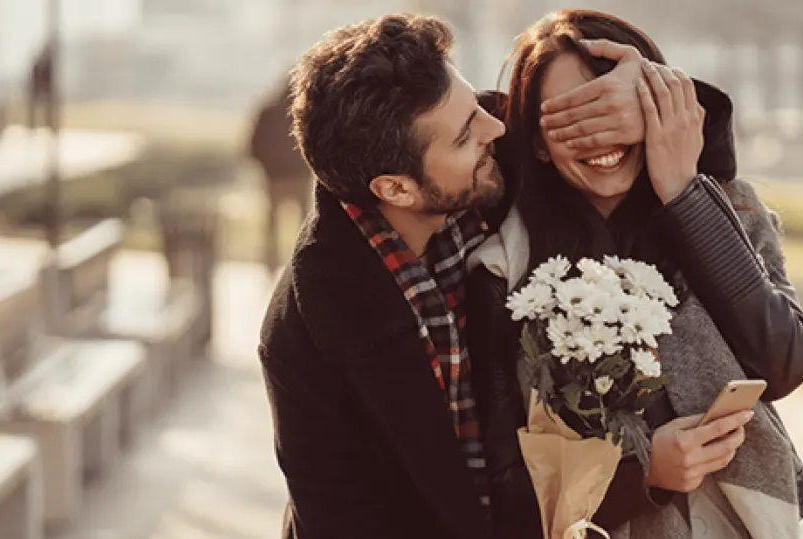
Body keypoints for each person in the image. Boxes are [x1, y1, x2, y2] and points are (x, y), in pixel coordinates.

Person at [257, 13, 662, 538]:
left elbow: (695, 139)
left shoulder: (489, 161)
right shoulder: (303, 334)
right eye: (467, 135)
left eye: (476, 106)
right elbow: (339, 520)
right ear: (397, 190)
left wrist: (645, 96)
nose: (497, 128)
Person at [466, 10, 803, 538]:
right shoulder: (501, 265)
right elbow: (503, 484)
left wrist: (682, 189)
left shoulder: (727, 210)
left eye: (613, 108)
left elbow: (785, 359)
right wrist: (640, 474)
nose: (598, 136)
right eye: (570, 118)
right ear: (537, 141)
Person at [249, 86, 314, 271]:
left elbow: (254, 144)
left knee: (273, 223)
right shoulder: (302, 112)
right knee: (304, 223)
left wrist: (267, 167)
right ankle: (302, 263)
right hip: (296, 176)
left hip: (275, 177)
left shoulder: (268, 111)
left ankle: (271, 262)